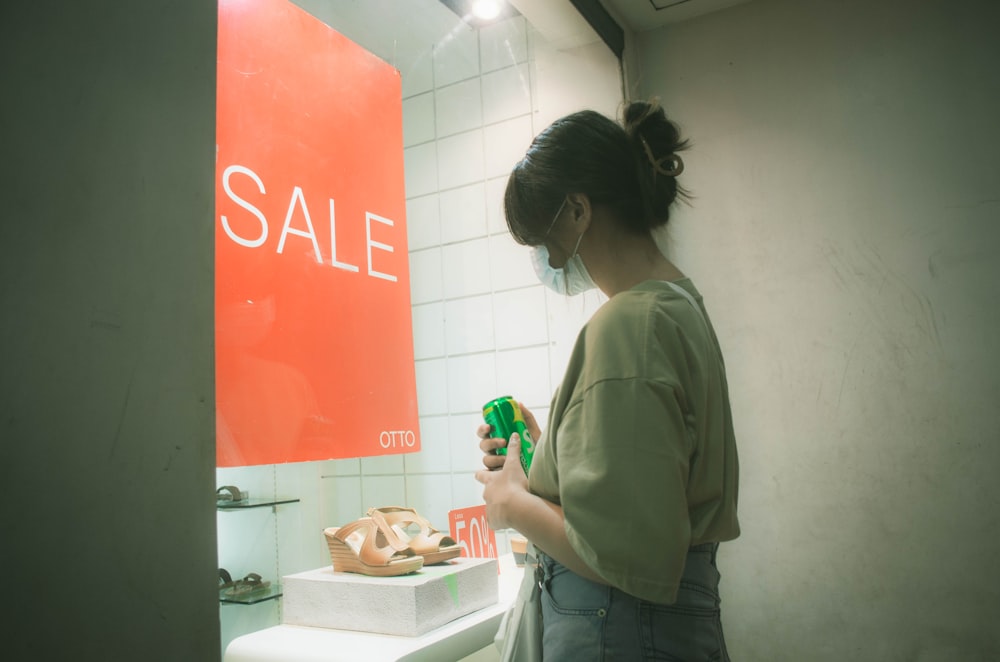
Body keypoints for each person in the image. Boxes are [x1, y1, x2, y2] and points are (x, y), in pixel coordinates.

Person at [475, 100, 740, 661]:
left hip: (622, 629)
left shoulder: (630, 322)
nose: (548, 260)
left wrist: (511, 501)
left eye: (543, 240)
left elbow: (631, 553)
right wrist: (547, 453)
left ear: (577, 211)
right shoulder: (677, 307)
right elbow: (639, 489)